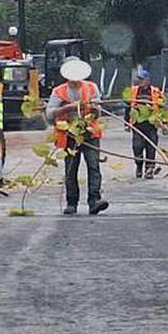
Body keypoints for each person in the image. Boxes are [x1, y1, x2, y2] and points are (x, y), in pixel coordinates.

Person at [47, 57, 109, 215]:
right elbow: (49, 115)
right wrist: (67, 108)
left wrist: (93, 107)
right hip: (69, 135)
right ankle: (71, 202)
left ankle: (94, 200)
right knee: (71, 169)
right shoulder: (58, 92)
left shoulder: (91, 87)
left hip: (89, 134)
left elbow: (98, 111)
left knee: (93, 166)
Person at [127, 68, 163, 179]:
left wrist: (164, 123)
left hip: (151, 124)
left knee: (151, 147)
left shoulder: (155, 92)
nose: (139, 81)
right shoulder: (133, 91)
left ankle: (149, 168)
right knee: (137, 146)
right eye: (139, 79)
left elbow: (162, 109)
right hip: (137, 124)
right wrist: (126, 122)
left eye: (141, 79)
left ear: (148, 80)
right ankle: (139, 165)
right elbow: (128, 107)